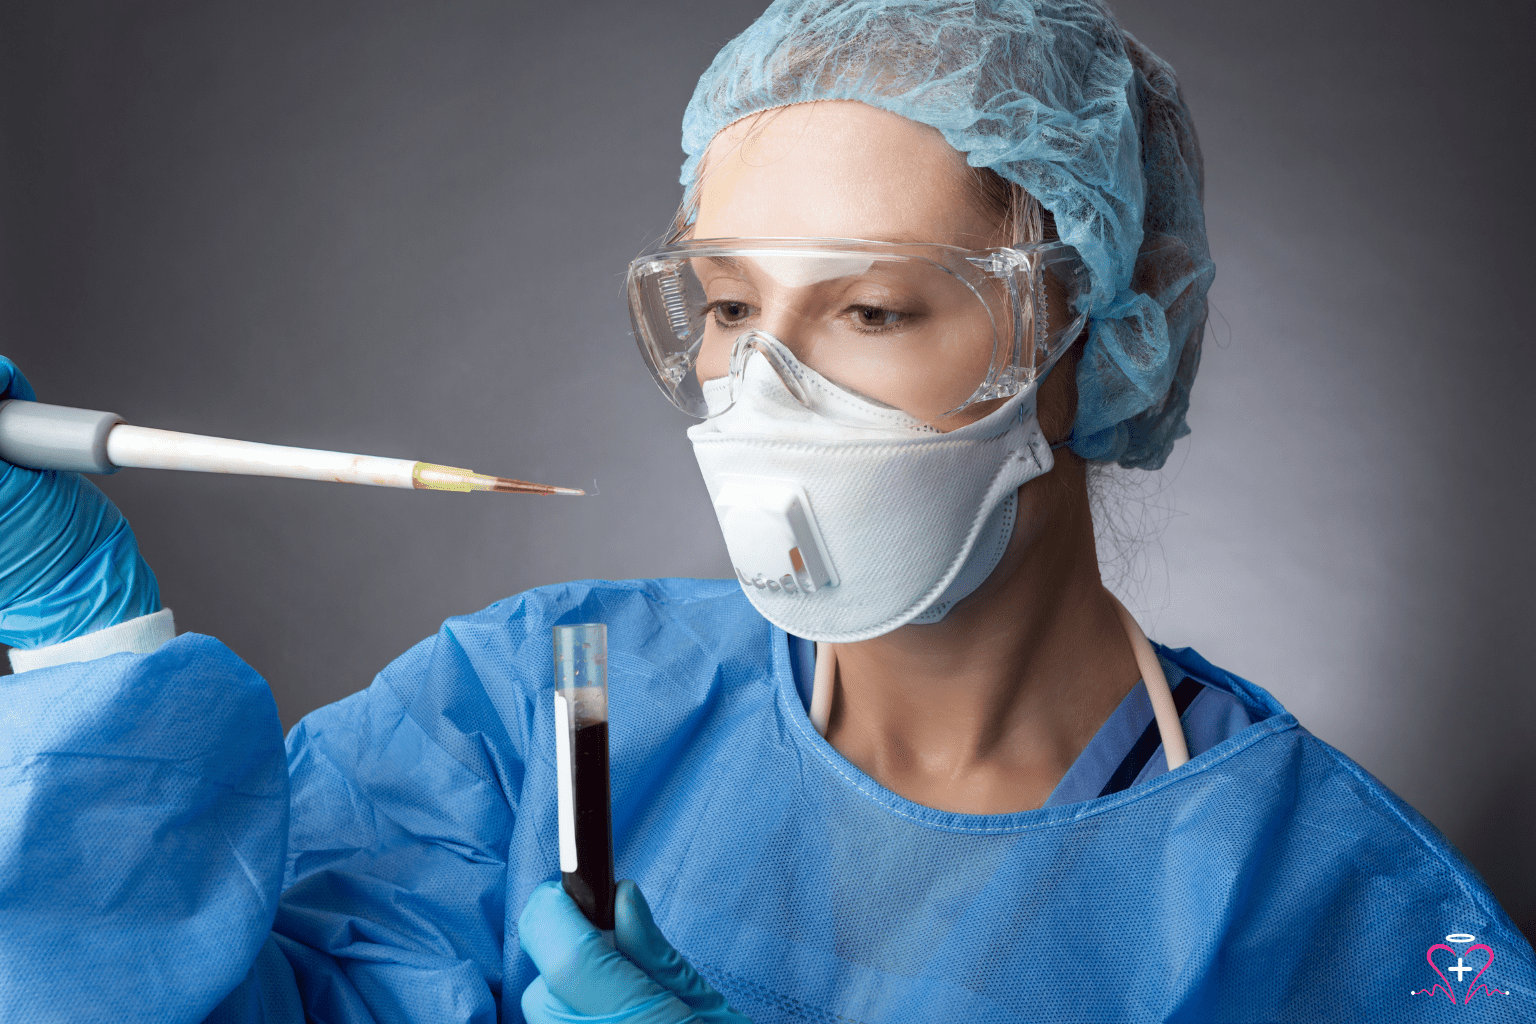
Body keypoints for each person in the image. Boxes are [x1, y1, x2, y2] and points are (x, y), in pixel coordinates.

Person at [0, 1, 1530, 1021]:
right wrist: (87, 655)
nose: (765, 392)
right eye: (728, 307)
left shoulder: (1330, 913)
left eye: (870, 310)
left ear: (1100, 340)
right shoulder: (534, 711)